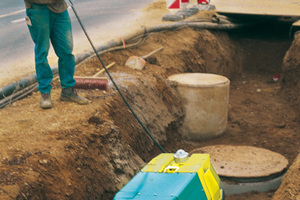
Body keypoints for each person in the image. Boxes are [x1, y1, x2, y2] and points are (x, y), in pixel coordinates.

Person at [24, 0, 89, 109]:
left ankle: (68, 90)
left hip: (60, 8)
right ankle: (45, 93)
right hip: (38, 9)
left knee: (66, 51)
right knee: (42, 52)